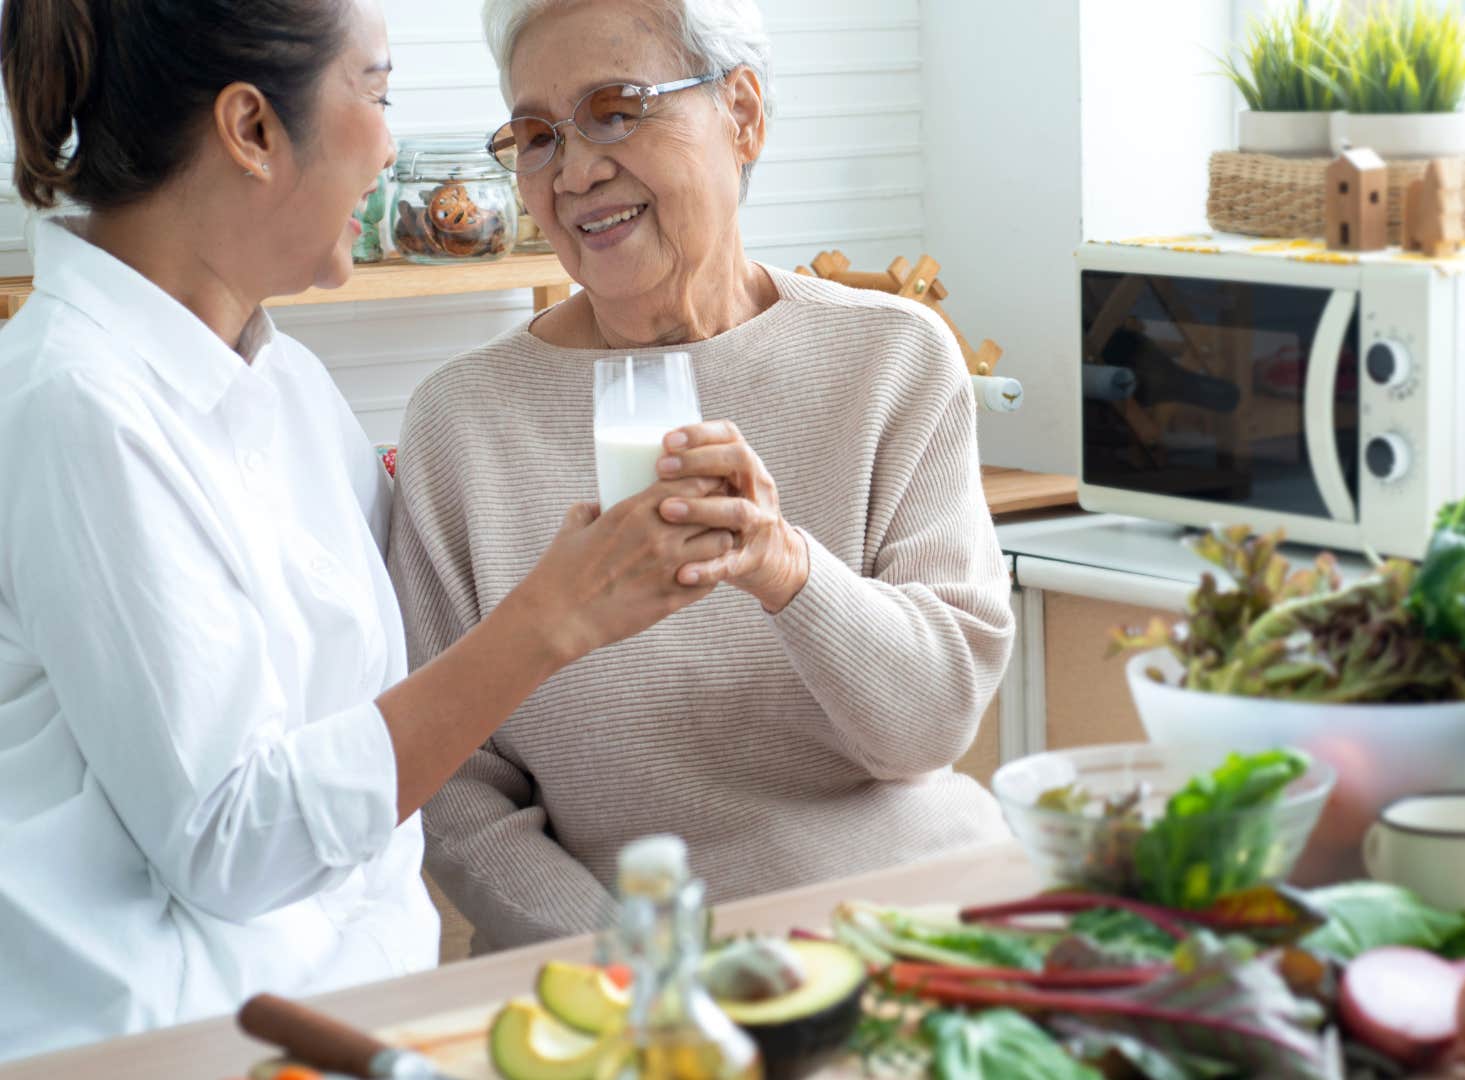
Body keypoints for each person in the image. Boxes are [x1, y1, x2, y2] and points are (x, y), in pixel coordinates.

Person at [0, 0, 729, 1060]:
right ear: (252, 130)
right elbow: (228, 841)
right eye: (376, 93)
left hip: (359, 1026)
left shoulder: (281, 380)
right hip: (171, 1046)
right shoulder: (77, 408)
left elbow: (423, 641)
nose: (393, 146)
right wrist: (547, 621)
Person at [393, 0, 1013, 953]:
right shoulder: (460, 422)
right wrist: (647, 961)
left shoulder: (891, 357)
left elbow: (930, 728)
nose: (576, 170)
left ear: (745, 114)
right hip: (624, 976)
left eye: (617, 108)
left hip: (909, 931)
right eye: (538, 136)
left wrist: (786, 569)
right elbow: (456, 790)